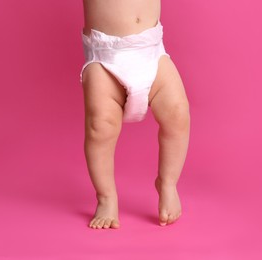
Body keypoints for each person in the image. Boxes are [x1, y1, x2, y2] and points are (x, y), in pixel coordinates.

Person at [80, 0, 190, 229]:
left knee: (178, 114)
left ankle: (168, 183)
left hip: (151, 51)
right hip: (106, 58)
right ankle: (106, 197)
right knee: (100, 127)